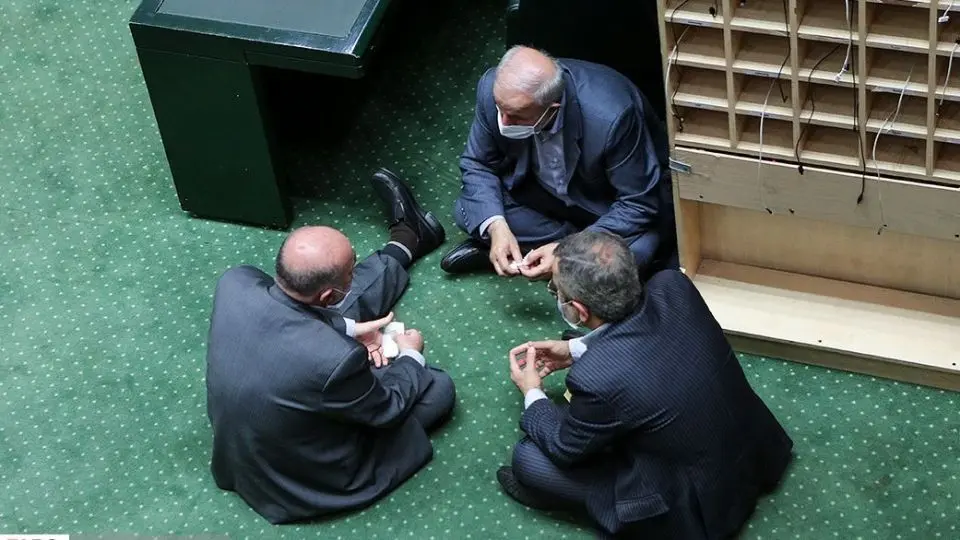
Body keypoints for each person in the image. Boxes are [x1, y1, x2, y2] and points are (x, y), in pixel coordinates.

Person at [500, 231, 794, 539]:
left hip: (699, 507)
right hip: (758, 453)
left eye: (556, 290)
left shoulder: (596, 380)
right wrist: (575, 350)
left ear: (579, 311)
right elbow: (660, 347)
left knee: (528, 458)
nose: (556, 293)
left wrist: (532, 391)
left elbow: (565, 448)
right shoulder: (673, 285)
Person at [205, 168, 456, 524]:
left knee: (353, 302)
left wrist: (349, 329)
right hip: (302, 480)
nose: (355, 270)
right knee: (438, 387)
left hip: (244, 450)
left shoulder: (235, 282)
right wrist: (410, 354)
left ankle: (406, 240)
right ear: (327, 297)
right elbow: (388, 409)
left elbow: (293, 309)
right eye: (353, 269)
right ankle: (406, 241)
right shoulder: (336, 360)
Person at [442, 45, 676, 278]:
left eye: (516, 116)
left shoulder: (612, 117)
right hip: (544, 194)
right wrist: (497, 228)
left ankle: (541, 255)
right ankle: (566, 261)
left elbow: (638, 204)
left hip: (604, 204)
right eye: (499, 109)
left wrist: (566, 249)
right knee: (470, 209)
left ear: (552, 108)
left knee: (634, 255)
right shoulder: (493, 90)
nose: (503, 121)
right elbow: (478, 164)